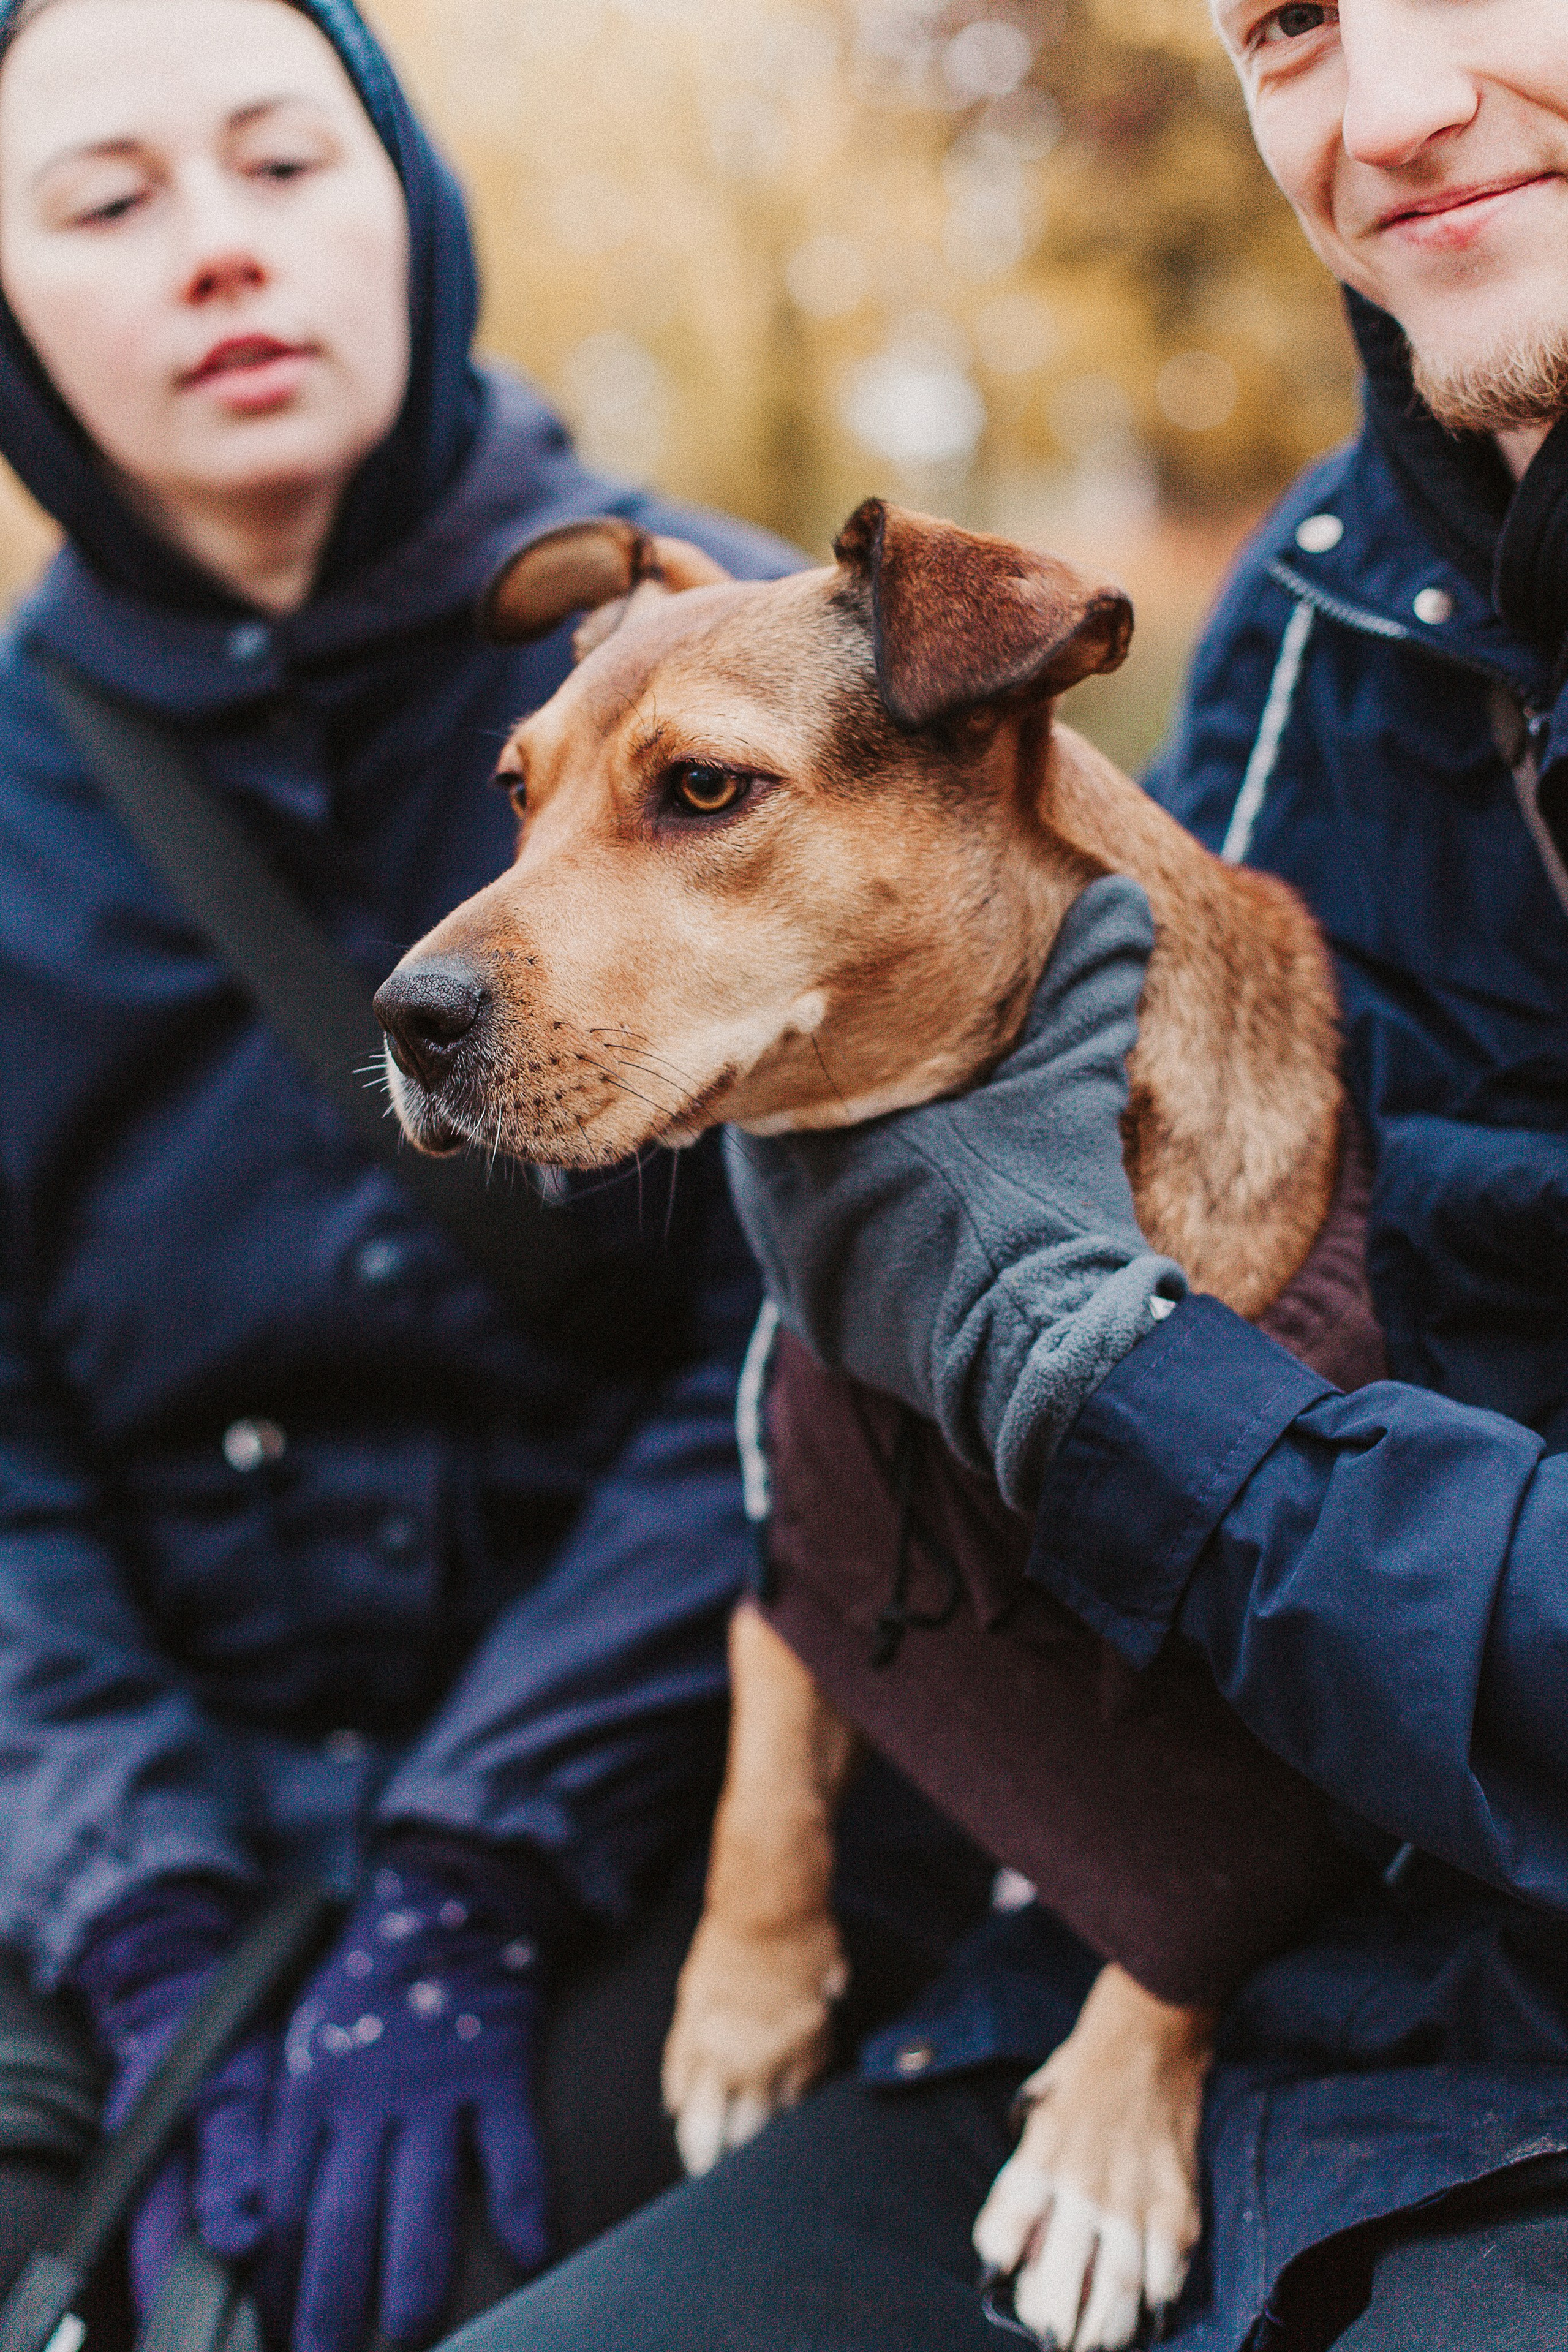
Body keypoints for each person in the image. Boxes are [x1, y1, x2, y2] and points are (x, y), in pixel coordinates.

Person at [437, 1, 1568, 2347]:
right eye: (1288, 20)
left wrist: (1090, 1364)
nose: (1398, 100)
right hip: (1189, 1903)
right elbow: (807, 1491)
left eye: (691, 801)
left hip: (1380, 1935)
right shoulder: (1322, 626)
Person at [0, 4, 993, 2350]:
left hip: (667, 1807)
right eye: (109, 205)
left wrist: (468, 1874)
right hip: (141, 1822)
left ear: (413, 214)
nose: (222, 254)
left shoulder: (751, 677)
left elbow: (814, 1338)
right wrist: (136, 1915)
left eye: (280, 162)